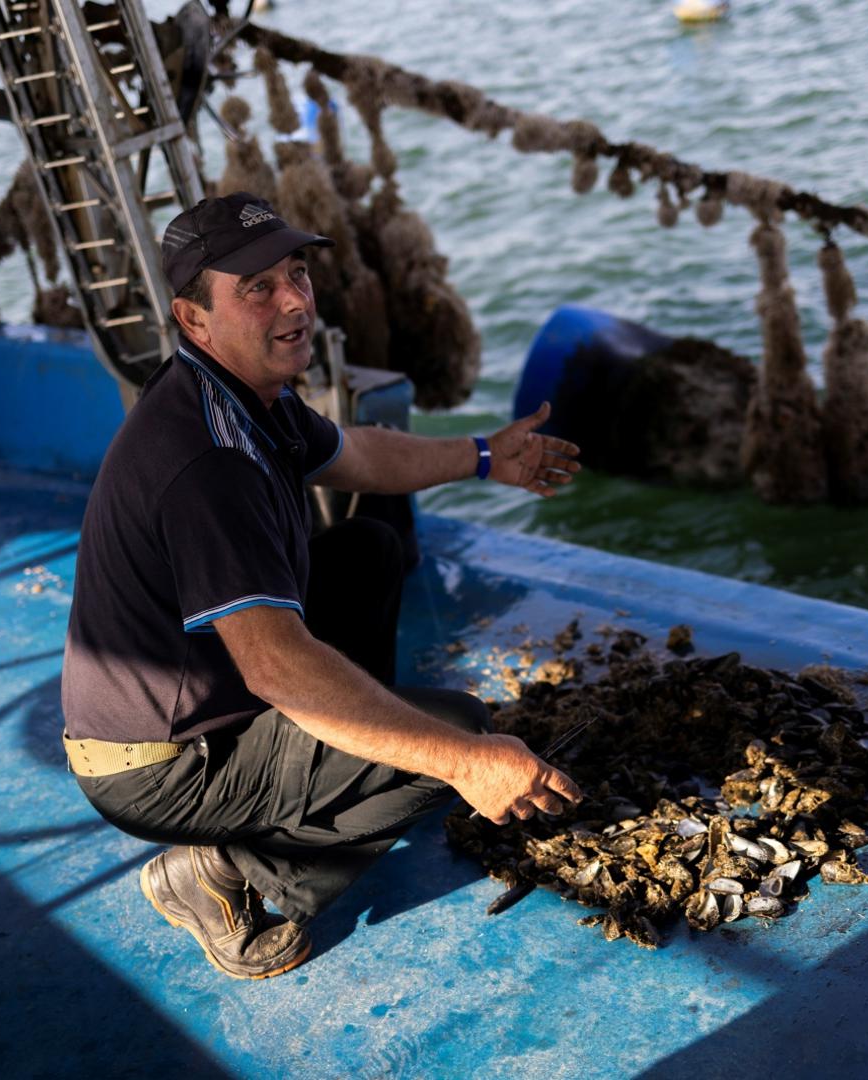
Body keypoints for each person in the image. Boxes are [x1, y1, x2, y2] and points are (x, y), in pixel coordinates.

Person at [60, 192, 584, 980]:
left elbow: (361, 456)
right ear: (193, 319)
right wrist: (461, 760)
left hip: (211, 692)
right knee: (454, 733)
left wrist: (484, 457)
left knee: (367, 548)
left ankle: (330, 772)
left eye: (297, 274)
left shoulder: (240, 393)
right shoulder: (210, 464)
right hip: (160, 761)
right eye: (257, 289)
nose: (295, 302)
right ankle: (223, 874)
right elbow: (275, 668)